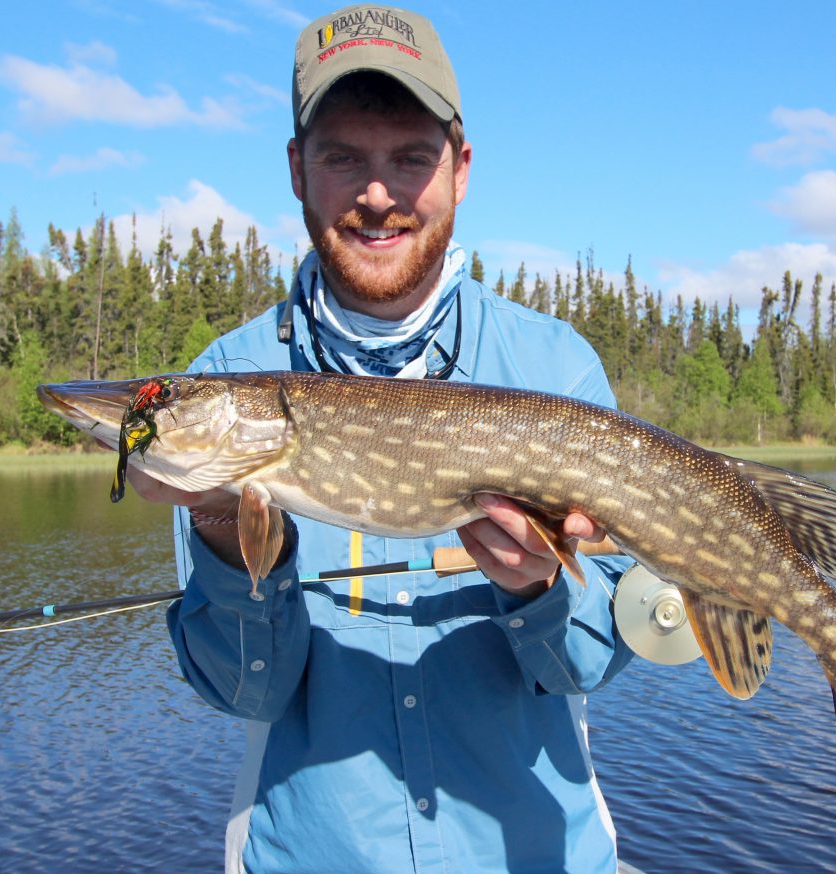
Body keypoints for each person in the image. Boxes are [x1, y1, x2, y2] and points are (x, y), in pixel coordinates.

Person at [129, 5, 635, 871]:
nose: (377, 194)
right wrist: (220, 524)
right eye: (341, 158)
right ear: (296, 170)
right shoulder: (233, 375)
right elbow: (241, 688)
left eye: (410, 158)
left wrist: (544, 591)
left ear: (460, 169)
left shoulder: (555, 368)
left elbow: (587, 661)